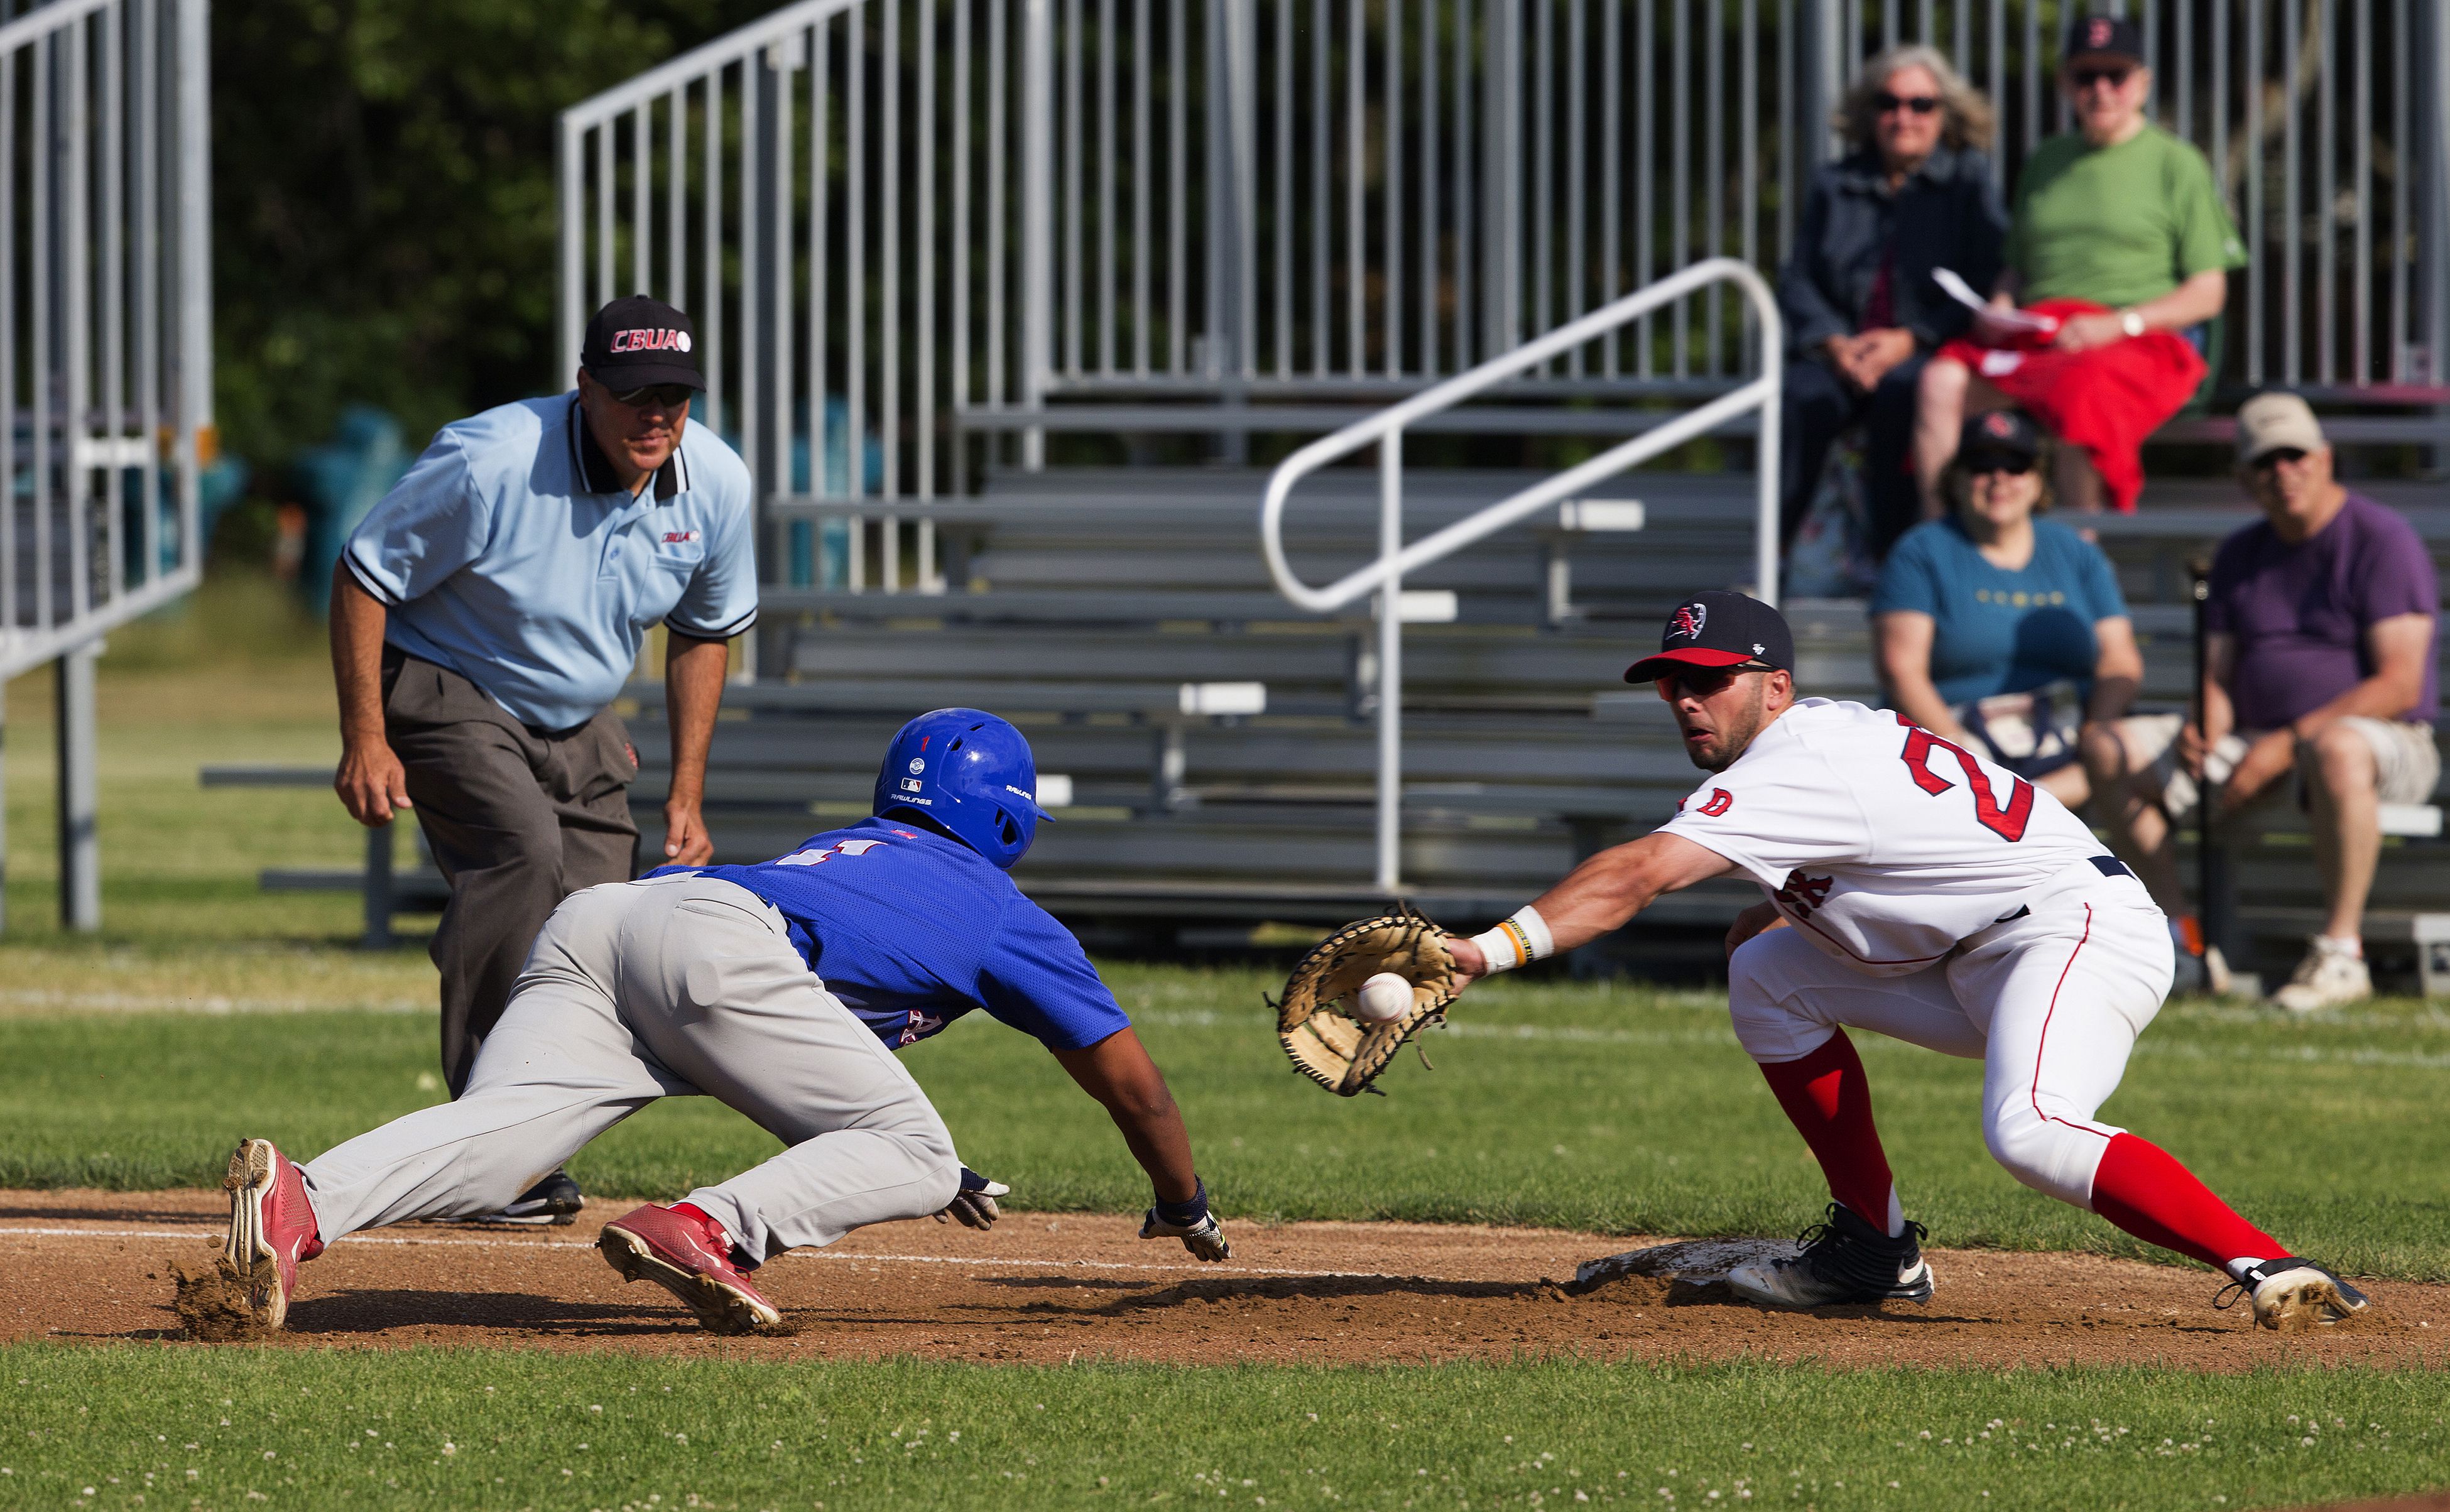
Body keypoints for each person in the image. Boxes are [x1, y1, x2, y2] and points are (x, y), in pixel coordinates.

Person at [1437, 590, 2366, 1331]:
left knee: (2031, 1127)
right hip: (1981, 953)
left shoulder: (1797, 759)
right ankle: (1873, 1247)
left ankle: (2270, 1261)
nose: (1687, 696)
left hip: (2073, 929)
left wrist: (1482, 949)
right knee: (1763, 970)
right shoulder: (1811, 746)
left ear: (1777, 686)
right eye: (1673, 678)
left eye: (1712, 678)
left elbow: (1638, 872)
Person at [197, 709, 1232, 1337]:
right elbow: (1134, 1084)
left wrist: (856, 1152)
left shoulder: (849, 848)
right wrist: (1182, 1204)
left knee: (501, 1148)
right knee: (916, 1151)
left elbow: (781, 1037)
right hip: (713, 938)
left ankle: (304, 1202)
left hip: (612, 917)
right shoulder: (1007, 911)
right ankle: (707, 1227)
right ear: (1007, 819)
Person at [331, 295, 758, 1224]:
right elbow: (365, 574)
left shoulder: (716, 481)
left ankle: (529, 1137)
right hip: (446, 677)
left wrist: (687, 790)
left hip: (579, 711)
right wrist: (365, 737)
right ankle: (482, 1143)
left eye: (676, 397)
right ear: (586, 387)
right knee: (519, 852)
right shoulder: (490, 461)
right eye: (636, 393)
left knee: (598, 922)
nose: (658, 416)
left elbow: (704, 632)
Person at [2088, 394, 2440, 1013]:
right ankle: (2183, 940)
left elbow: (2400, 684)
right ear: (2244, 478)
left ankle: (2341, 953)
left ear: (2325, 459)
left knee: (2334, 746)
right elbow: (2219, 671)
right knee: (2105, 747)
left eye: (2295, 455)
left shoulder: (2382, 539)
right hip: (2254, 737)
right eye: (2266, 460)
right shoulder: (2239, 555)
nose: (2284, 470)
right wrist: (2207, 723)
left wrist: (2282, 747)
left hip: (2385, 743)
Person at [1868, 410, 2224, 988]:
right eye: (1983, 465)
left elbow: (2119, 661)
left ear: (2038, 479)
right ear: (1957, 477)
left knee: (2118, 759)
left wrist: (2100, 728)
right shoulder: (1922, 552)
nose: (1999, 478)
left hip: (2068, 746)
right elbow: (1902, 669)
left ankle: (2178, 937)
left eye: (2015, 465)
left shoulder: (2074, 554)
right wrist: (1963, 751)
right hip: (1958, 742)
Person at [1915, 14, 2245, 518]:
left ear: (2143, 83)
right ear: (2065, 83)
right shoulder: (2045, 161)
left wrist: (2117, 323)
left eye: (2117, 75)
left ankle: (2081, 549)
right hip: (2042, 338)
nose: (2102, 90)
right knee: (1939, 380)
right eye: (2087, 76)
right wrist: (2000, 305)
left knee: (2081, 391)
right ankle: (1941, 537)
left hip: (2133, 342)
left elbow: (2207, 292)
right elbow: (2017, 267)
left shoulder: (2178, 164)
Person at [1777, 43, 2006, 561]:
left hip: (1922, 352)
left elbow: (1983, 282)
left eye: (1920, 105)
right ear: (1870, 112)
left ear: (1944, 113)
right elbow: (1797, 280)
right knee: (1799, 397)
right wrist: (1833, 342)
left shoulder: (1967, 182)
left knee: (1908, 394)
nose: (1904, 117)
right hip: (1841, 354)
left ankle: (1896, 558)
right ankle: (1776, 553)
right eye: (1890, 103)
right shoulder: (1835, 183)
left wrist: (1912, 338)